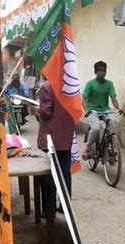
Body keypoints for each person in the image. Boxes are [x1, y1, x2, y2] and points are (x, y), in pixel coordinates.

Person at [37, 76, 74, 216]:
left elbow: (46, 111)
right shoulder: (70, 85)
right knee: (65, 172)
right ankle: (65, 207)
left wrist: (36, 107)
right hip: (66, 134)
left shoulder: (46, 86)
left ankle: (49, 209)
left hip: (50, 137)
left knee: (48, 175)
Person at [82, 61, 123, 160]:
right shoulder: (90, 84)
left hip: (105, 110)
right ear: (95, 72)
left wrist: (118, 108)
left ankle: (109, 145)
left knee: (113, 122)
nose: (102, 73)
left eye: (104, 70)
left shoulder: (109, 84)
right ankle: (87, 148)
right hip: (93, 111)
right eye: (100, 71)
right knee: (95, 129)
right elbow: (83, 99)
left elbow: (113, 98)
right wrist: (86, 110)